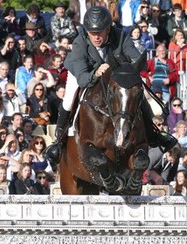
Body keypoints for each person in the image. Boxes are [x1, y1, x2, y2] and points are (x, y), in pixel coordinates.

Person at [45, 6, 176, 165]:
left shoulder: (120, 35)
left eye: (100, 31)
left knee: (132, 92)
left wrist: (127, 67)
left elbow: (136, 60)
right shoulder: (80, 43)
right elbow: (83, 79)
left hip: (113, 72)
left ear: (108, 29)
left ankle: (154, 133)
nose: (96, 36)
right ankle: (59, 142)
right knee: (68, 100)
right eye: (92, 33)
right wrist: (96, 73)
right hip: (82, 72)